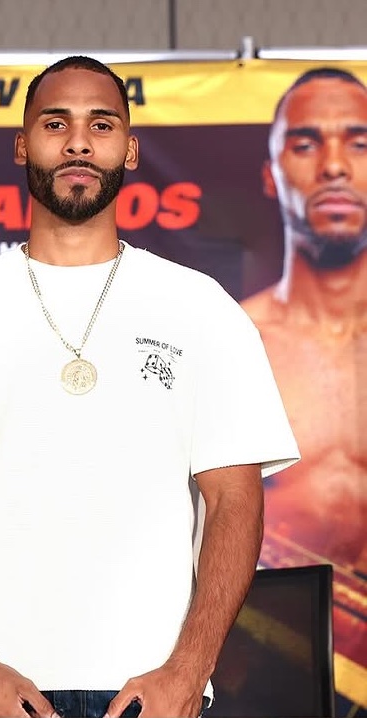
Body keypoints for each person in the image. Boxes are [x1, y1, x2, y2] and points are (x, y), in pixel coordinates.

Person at [0, 55, 300, 718]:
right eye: (55, 123)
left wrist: (189, 668)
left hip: (154, 694)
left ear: (130, 148)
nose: (78, 143)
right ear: (21, 145)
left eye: (101, 124)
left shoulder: (201, 308)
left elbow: (234, 503)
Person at [240, 67, 367, 704]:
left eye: (360, 143)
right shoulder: (233, 340)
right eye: (307, 142)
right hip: (269, 675)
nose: (335, 166)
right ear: (271, 174)